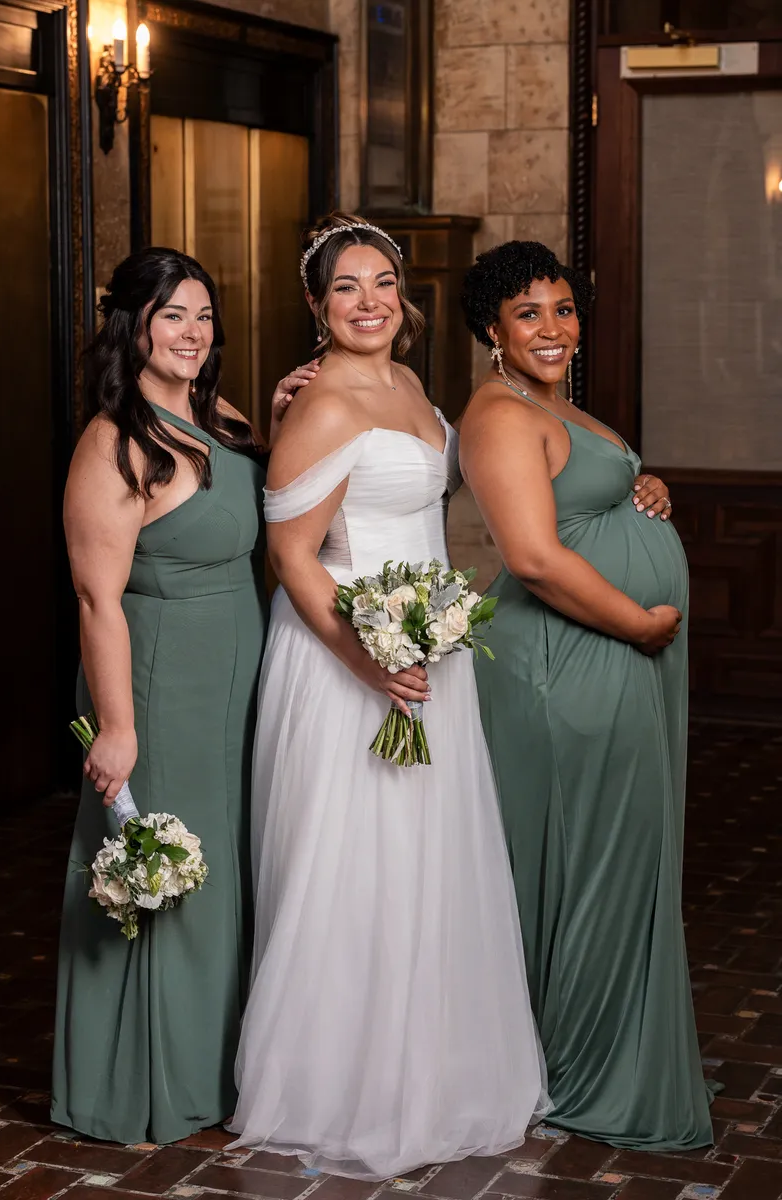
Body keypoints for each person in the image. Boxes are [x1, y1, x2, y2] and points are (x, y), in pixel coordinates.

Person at [226, 214, 549, 1180]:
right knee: (354, 865)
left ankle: (440, 1068)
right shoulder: (322, 402)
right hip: (344, 658)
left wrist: (423, 637)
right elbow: (291, 556)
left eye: (381, 285)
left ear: (402, 299)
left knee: (427, 863)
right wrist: (368, 658)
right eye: (344, 289)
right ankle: (343, 1084)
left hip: (423, 651)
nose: (367, 303)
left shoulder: (409, 385)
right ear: (317, 308)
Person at [52, 246, 317, 1146]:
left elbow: (268, 506)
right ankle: (141, 1082)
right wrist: (119, 727)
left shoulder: (224, 418)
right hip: (160, 676)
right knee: (168, 868)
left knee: (232, 863)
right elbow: (98, 598)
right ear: (133, 327)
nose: (194, 333)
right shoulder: (113, 441)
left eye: (205, 315)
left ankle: (220, 1064)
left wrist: (279, 421)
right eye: (174, 315)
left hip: (240, 668)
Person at [459, 240, 716, 1150]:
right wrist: (640, 626)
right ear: (492, 329)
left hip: (605, 658)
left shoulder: (556, 406)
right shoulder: (497, 412)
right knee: (587, 862)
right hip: (564, 664)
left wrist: (640, 488)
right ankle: (572, 1063)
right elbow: (532, 557)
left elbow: (579, 502)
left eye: (563, 309)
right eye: (529, 313)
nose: (554, 328)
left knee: (620, 853)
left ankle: (597, 1048)